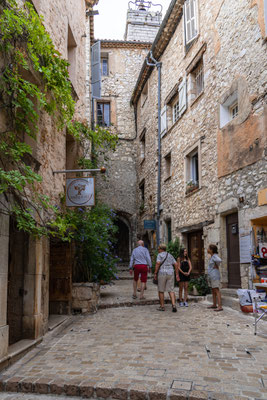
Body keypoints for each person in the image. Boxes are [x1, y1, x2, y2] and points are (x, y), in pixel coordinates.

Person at [154, 243, 179, 312]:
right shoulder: (170, 255)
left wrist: (155, 273)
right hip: (170, 273)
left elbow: (158, 263)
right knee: (171, 290)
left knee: (161, 290)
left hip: (162, 273)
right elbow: (176, 264)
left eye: (158, 249)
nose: (158, 250)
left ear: (161, 249)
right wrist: (177, 274)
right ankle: (173, 305)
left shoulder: (159, 255)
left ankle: (162, 306)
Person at [207, 244, 223, 312]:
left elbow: (219, 260)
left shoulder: (214, 256)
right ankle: (214, 304)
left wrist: (216, 265)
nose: (207, 249)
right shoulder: (212, 256)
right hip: (212, 275)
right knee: (213, 290)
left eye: (208, 248)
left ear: (211, 250)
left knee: (216, 290)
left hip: (214, 275)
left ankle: (220, 306)